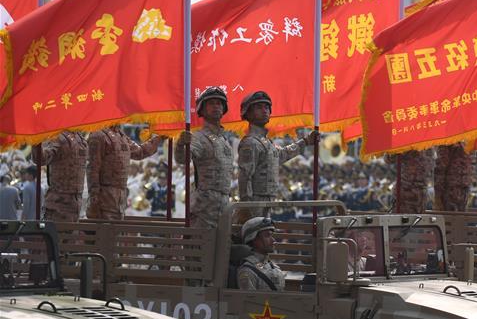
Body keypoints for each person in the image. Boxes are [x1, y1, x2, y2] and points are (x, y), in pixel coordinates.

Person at [237, 91, 312, 211]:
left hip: (268, 200)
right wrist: (245, 207)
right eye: (259, 107)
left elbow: (281, 155)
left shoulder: (266, 142)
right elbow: (245, 177)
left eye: (266, 107)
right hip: (255, 202)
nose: (264, 110)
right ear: (248, 113)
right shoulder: (250, 142)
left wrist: (306, 142)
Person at [176, 87, 234, 228]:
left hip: (224, 204)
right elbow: (182, 159)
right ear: (202, 109)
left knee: (221, 248)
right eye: (211, 103)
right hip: (205, 207)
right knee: (202, 247)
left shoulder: (224, 140)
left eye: (219, 103)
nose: (216, 106)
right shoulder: (198, 137)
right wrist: (180, 145)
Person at [87, 125, 163, 220]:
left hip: (120, 200)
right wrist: (94, 199)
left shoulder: (121, 135)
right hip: (104, 200)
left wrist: (158, 138)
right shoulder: (98, 135)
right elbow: (93, 168)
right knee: (103, 232)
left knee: (116, 232)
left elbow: (140, 152)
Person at [41, 130, 89, 222]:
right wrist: (36, 142)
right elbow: (42, 158)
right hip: (59, 204)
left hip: (75, 204)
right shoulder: (57, 137)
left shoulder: (79, 138)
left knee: (71, 234)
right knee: (59, 234)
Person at [237, 216, 285, 291]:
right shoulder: (247, 271)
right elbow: (250, 301)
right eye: (267, 236)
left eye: (271, 235)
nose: (273, 240)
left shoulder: (274, 267)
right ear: (253, 239)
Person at [434, 143, 473, 211]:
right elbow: (440, 169)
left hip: (463, 189)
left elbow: (473, 160)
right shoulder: (448, 141)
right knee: (448, 218)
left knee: (460, 217)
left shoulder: (466, 142)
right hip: (450, 190)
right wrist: (438, 196)